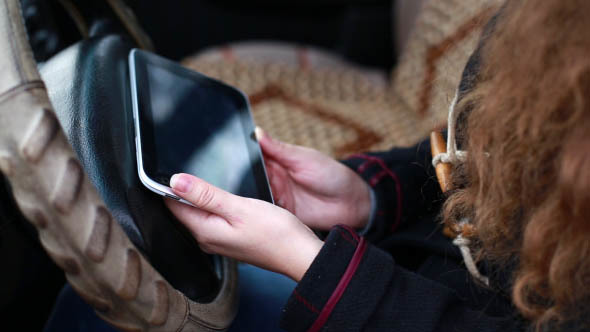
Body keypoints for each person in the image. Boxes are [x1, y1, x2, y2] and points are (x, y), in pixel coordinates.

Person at [164, 0, 590, 331]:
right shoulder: (550, 22)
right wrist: (368, 194)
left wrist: (317, 269)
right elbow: (477, 151)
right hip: (395, 271)